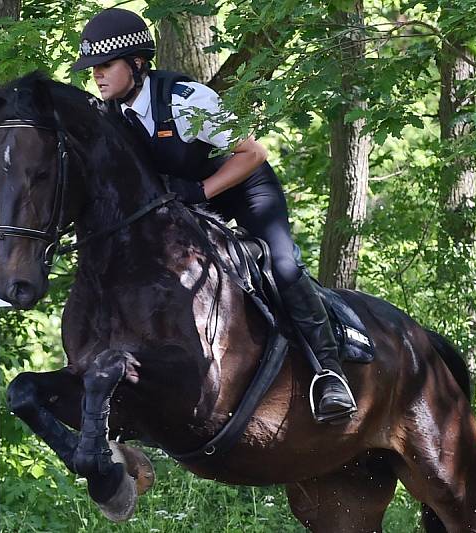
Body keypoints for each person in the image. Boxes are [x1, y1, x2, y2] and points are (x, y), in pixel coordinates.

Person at [72, 8, 356, 422]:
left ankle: (330, 373)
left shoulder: (187, 101)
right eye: (92, 69)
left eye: (105, 66)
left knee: (283, 266)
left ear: (136, 64)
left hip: (243, 189)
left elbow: (253, 153)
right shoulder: (111, 116)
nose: (97, 76)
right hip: (186, 204)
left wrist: (200, 190)